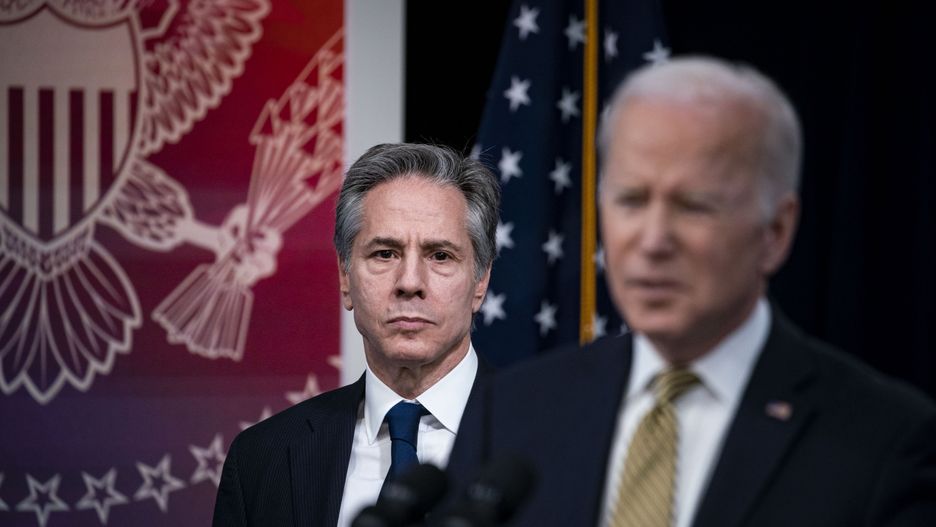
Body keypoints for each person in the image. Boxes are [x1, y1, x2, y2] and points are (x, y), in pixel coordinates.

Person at [446, 57, 936, 526]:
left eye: (695, 206)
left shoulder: (884, 441)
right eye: (631, 200)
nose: (654, 240)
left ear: (776, 232)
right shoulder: (510, 411)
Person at [213, 143, 501, 527]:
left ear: (480, 281)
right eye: (384, 254)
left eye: (440, 256)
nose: (410, 283)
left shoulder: (555, 440)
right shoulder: (262, 460)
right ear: (345, 277)